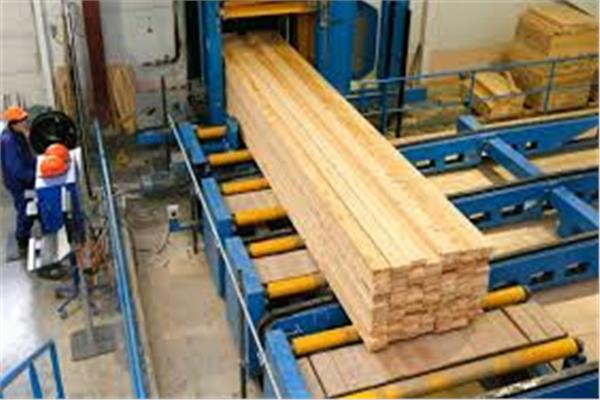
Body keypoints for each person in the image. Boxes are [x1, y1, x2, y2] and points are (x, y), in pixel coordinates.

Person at [1, 106, 36, 252]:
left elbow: (28, 156)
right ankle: (22, 240)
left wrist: (38, 164)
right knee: (25, 209)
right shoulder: (9, 141)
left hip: (25, 180)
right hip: (18, 184)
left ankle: (24, 235)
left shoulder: (18, 135)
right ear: (14, 124)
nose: (25, 122)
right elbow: (15, 169)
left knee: (29, 207)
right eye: (22, 120)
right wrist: (33, 175)